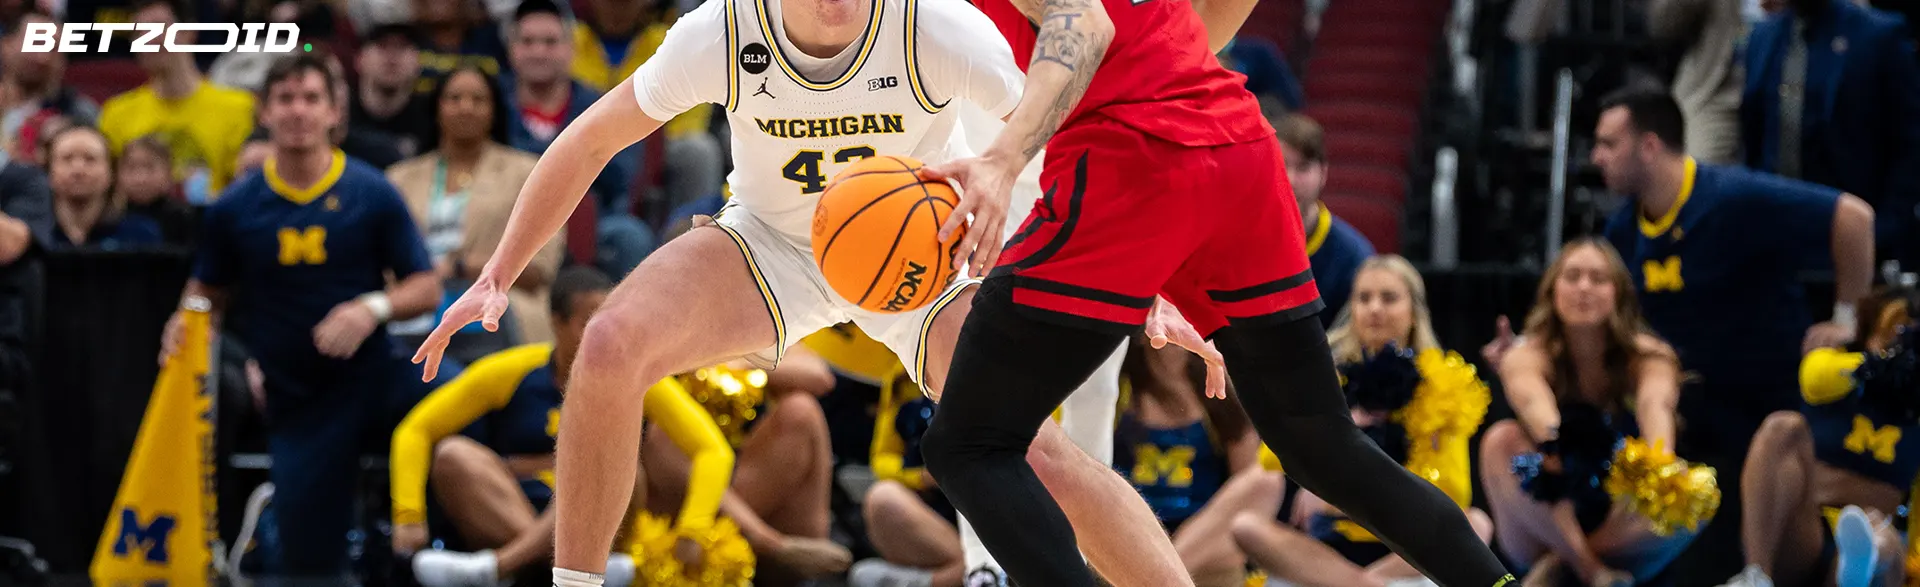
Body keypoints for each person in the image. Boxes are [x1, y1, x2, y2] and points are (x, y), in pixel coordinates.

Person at [409, 0, 1213, 582]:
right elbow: (589, 142)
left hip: (927, 254)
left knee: (1035, 447)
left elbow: (1067, 147)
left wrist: (1141, 286)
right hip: (774, 244)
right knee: (611, 344)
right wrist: (498, 272)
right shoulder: (723, 32)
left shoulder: (936, 27)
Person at [904, 0, 1519, 577]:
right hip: (1237, 148)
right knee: (1320, 443)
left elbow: (1083, 20)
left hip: (1130, 158)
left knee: (968, 443)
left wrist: (1003, 160)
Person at [160, 54, 442, 575]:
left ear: (334, 111)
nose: (298, 111)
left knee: (466, 409)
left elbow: (425, 286)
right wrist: (186, 319)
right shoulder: (235, 207)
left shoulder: (372, 191)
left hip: (373, 377)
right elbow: (206, 292)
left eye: (311, 98)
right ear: (264, 112)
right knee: (309, 566)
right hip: (296, 397)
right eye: (285, 99)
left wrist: (371, 307)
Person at [1593, 85, 1876, 582]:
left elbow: (1854, 218)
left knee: (1776, 446)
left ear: (1650, 146)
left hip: (1768, 416)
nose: (1597, 157)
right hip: (1694, 430)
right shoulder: (1622, 232)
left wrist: (1847, 320)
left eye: (1608, 143)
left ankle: (1780, 571)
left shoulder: (1736, 198)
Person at [1230, 255, 1495, 587]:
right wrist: (1343, 428)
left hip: (1406, 549)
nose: (1375, 309)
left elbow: (1454, 494)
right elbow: (1272, 457)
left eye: (1389, 298)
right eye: (1364, 298)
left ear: (1414, 312)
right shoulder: (1327, 378)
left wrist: (1334, 497)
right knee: (1246, 526)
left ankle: (1362, 583)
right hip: (1330, 546)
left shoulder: (1444, 385)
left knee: (1477, 524)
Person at [390, 268, 647, 586]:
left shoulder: (632, 377)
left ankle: (497, 568)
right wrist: (408, 515)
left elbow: (703, 445)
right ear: (556, 322)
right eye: (589, 324)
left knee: (622, 469)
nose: (604, 337)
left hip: (590, 518)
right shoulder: (513, 371)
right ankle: (570, 572)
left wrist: (695, 525)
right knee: (452, 454)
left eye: (610, 324)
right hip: (512, 508)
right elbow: (414, 430)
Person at [1478, 239, 1699, 586]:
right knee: (1500, 441)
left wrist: (1661, 471)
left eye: (1598, 278)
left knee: (1691, 490)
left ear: (1619, 293)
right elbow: (1538, 412)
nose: (1584, 287)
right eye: (1572, 276)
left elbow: (1655, 408)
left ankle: (1563, 563)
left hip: (1618, 520)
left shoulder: (1650, 356)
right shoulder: (1525, 355)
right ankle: (1590, 570)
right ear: (1552, 291)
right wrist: (1562, 452)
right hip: (1544, 511)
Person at [1718, 285, 1919, 587]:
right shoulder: (1833, 372)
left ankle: (1855, 569)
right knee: (1783, 425)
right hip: (1810, 530)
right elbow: (1814, 378)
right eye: (1891, 337)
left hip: (1876, 538)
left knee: (1882, 540)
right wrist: (1878, 365)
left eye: (1908, 343)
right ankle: (1755, 574)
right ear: (1868, 333)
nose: (1900, 349)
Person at [387, 65, 564, 357]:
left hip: (500, 307)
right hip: (416, 305)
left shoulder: (528, 172)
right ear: (436, 108)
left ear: (495, 110)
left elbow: (541, 268)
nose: (465, 107)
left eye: (478, 99)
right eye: (454, 98)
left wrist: (462, 267)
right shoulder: (399, 177)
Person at [1112, 334, 1267, 587]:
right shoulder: (1119, 387)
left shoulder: (1217, 387)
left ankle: (1163, 573)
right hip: (1134, 528)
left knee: (1265, 479)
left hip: (1203, 533)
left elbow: (1249, 480)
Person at [97, 0, 256, 204]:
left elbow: (247, 187)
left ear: (189, 33)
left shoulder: (239, 107)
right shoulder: (116, 113)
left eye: (159, 28)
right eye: (139, 33)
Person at [1273, 113, 1375, 327]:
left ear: (1323, 173)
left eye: (1303, 167)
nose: (1291, 180)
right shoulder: (1236, 244)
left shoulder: (1354, 256)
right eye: (1281, 166)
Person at [42, 126, 161, 250]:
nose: (78, 169)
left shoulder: (139, 234)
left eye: (90, 159)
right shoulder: (33, 234)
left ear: (111, 171)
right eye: (67, 158)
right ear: (49, 169)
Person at [114, 136, 196, 248]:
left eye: (150, 168)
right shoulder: (108, 217)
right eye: (131, 168)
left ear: (169, 173)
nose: (140, 178)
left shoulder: (185, 218)